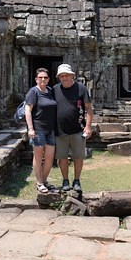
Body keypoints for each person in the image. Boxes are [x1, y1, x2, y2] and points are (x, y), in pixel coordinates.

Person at [53, 63, 93, 192]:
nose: (64, 78)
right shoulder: (54, 90)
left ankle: (77, 180)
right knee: (62, 157)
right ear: (59, 77)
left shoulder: (81, 88)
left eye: (66, 75)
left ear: (72, 76)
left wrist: (88, 127)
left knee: (78, 157)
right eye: (62, 76)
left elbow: (88, 109)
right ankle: (65, 180)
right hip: (60, 130)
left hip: (78, 129)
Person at [24, 67, 57, 193]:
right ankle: (39, 182)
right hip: (38, 129)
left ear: (48, 79)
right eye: (40, 77)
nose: (43, 79)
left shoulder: (50, 91)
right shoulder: (33, 92)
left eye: (45, 77)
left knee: (49, 157)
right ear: (36, 79)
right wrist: (30, 129)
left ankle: (44, 180)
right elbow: (28, 110)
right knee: (38, 157)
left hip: (50, 129)